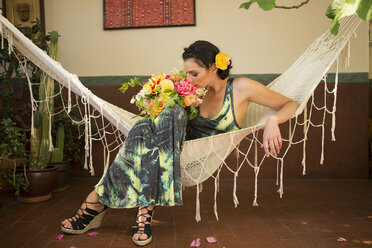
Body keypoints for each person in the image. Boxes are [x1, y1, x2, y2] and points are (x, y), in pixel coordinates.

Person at [60, 40, 299, 246]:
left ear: (214, 67)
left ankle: (98, 200)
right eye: (186, 73)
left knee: (155, 130)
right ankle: (144, 212)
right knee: (154, 122)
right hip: (172, 148)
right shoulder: (193, 92)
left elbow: (291, 104)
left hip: (198, 153)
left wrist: (272, 121)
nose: (188, 79)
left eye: (194, 73)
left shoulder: (241, 88)